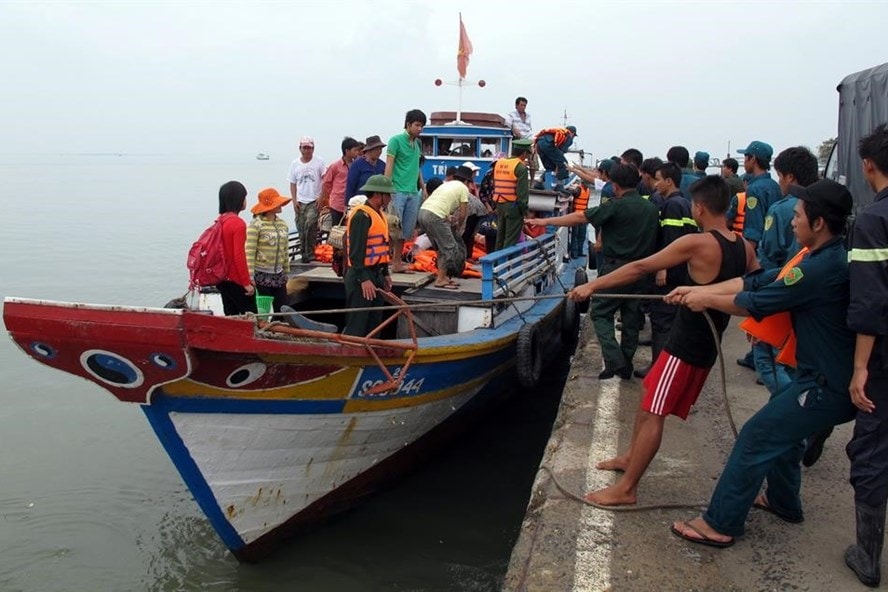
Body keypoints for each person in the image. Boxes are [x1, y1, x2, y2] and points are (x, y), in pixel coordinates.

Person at [669, 179, 857, 548]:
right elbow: (762, 279)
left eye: (799, 216)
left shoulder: (819, 269)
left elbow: (756, 301)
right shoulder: (819, 255)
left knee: (757, 437)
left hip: (824, 386)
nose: (792, 221)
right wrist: (702, 290)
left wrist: (706, 300)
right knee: (783, 436)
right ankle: (783, 501)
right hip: (815, 377)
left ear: (818, 223)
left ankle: (719, 523)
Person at [564, 175, 753, 506]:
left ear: (700, 206)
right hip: (708, 343)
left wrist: (592, 286)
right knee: (649, 394)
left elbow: (640, 267)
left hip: (686, 346)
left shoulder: (698, 243)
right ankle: (629, 458)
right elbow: (750, 286)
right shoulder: (745, 247)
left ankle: (627, 489)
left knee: (654, 412)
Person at [526, 164, 659, 379]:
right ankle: (625, 364)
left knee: (599, 311)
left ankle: (614, 359)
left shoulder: (616, 205)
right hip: (643, 270)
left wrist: (546, 220)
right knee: (632, 319)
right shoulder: (651, 208)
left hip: (616, 268)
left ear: (615, 186)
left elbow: (580, 218)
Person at [845, 123, 888, 588]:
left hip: (883, 360)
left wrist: (859, 367)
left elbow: (870, 303)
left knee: (872, 449)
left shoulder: (874, 221)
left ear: (868, 165)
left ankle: (868, 555)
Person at [743, 147, 819, 406]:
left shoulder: (782, 208)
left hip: (782, 289)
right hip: (811, 291)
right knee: (794, 359)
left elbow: (769, 253)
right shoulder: (819, 203)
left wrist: (759, 300)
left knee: (767, 360)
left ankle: (796, 410)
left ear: (789, 176)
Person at [634, 162, 699, 379]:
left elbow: (671, 239)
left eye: (659, 179)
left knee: (662, 319)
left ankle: (658, 368)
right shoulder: (684, 202)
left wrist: (662, 268)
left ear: (669, 181)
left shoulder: (671, 205)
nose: (656, 184)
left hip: (670, 272)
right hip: (682, 270)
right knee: (669, 319)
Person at [343, 175, 394, 336]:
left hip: (376, 273)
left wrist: (385, 273)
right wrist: (364, 279)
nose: (390, 198)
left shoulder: (378, 214)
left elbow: (382, 247)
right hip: (361, 276)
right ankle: (352, 358)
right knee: (358, 323)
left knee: (374, 323)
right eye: (388, 195)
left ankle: (370, 357)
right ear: (378, 195)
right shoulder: (361, 216)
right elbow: (356, 252)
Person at [385, 109, 427, 273]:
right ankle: (382, 262)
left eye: (422, 126)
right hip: (397, 191)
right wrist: (385, 189)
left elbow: (417, 168)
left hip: (412, 191)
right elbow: (389, 164)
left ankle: (396, 263)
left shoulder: (417, 144)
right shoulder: (395, 141)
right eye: (417, 125)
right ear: (408, 124)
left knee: (405, 231)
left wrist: (423, 187)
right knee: (391, 229)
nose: (419, 129)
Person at [418, 165, 473, 289]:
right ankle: (441, 279)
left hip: (423, 212)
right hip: (434, 216)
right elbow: (463, 213)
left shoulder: (446, 184)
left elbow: (439, 203)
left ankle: (441, 276)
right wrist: (458, 227)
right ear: (467, 181)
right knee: (450, 247)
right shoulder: (463, 189)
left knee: (439, 248)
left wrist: (448, 217)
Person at [246, 188, 293, 313]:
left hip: (279, 274)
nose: (280, 205)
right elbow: (250, 251)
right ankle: (263, 330)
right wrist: (250, 276)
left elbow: (285, 250)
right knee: (262, 310)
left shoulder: (282, 224)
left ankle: (277, 328)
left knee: (282, 308)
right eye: (277, 203)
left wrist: (286, 271)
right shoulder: (256, 225)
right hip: (261, 274)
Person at [214, 181, 256, 315]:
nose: (245, 200)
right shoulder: (238, 223)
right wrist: (246, 283)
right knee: (251, 318)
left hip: (221, 279)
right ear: (238, 199)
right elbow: (239, 256)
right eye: (244, 197)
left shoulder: (220, 220)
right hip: (235, 280)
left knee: (231, 317)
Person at [287, 136, 327, 263]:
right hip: (300, 200)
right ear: (300, 149)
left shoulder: (319, 162)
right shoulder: (295, 164)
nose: (307, 150)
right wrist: (294, 200)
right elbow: (292, 183)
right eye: (305, 148)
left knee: (310, 224)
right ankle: (304, 253)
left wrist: (322, 198)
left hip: (313, 200)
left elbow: (325, 181)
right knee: (301, 227)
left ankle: (310, 253)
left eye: (309, 148)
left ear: (313, 149)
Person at [492, 138, 532, 250]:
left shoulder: (499, 163)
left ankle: (496, 263)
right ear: (524, 153)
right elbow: (522, 194)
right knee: (511, 239)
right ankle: (504, 265)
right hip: (513, 206)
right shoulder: (520, 167)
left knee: (500, 236)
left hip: (499, 204)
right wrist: (525, 212)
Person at [318, 137, 361, 226]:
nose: (357, 152)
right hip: (337, 204)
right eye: (355, 150)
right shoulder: (335, 166)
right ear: (347, 151)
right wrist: (323, 200)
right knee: (336, 230)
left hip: (352, 204)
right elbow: (326, 183)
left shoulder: (357, 165)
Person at [533, 126, 577, 190]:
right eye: (574, 136)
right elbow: (560, 153)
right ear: (572, 133)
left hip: (539, 144)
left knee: (550, 167)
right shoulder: (568, 136)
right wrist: (559, 166)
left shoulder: (558, 132)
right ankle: (560, 186)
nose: (573, 137)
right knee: (564, 164)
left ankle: (539, 182)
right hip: (548, 144)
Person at [346, 135, 387, 200]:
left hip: (377, 204)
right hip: (359, 203)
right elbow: (350, 186)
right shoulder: (357, 165)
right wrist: (347, 205)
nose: (379, 151)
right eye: (377, 149)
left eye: (380, 149)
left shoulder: (382, 165)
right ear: (369, 150)